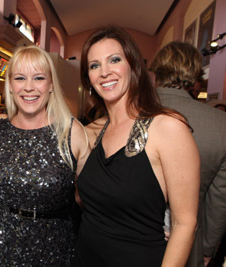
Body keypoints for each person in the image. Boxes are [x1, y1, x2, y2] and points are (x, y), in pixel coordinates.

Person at [74, 25, 200, 267]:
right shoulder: (95, 131)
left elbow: (185, 224)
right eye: (94, 65)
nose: (104, 72)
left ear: (133, 66)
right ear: (88, 78)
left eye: (114, 60)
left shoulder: (168, 128)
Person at [0, 45, 90, 266]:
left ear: (50, 85)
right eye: (20, 78)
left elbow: (90, 198)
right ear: (10, 85)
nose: (29, 87)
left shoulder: (71, 132)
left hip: (53, 249)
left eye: (38, 78)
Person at [149, 41, 226, 267]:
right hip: (190, 243)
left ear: (157, 70)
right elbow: (219, 199)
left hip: (129, 238)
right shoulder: (220, 123)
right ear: (195, 74)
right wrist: (207, 248)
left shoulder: (133, 111)